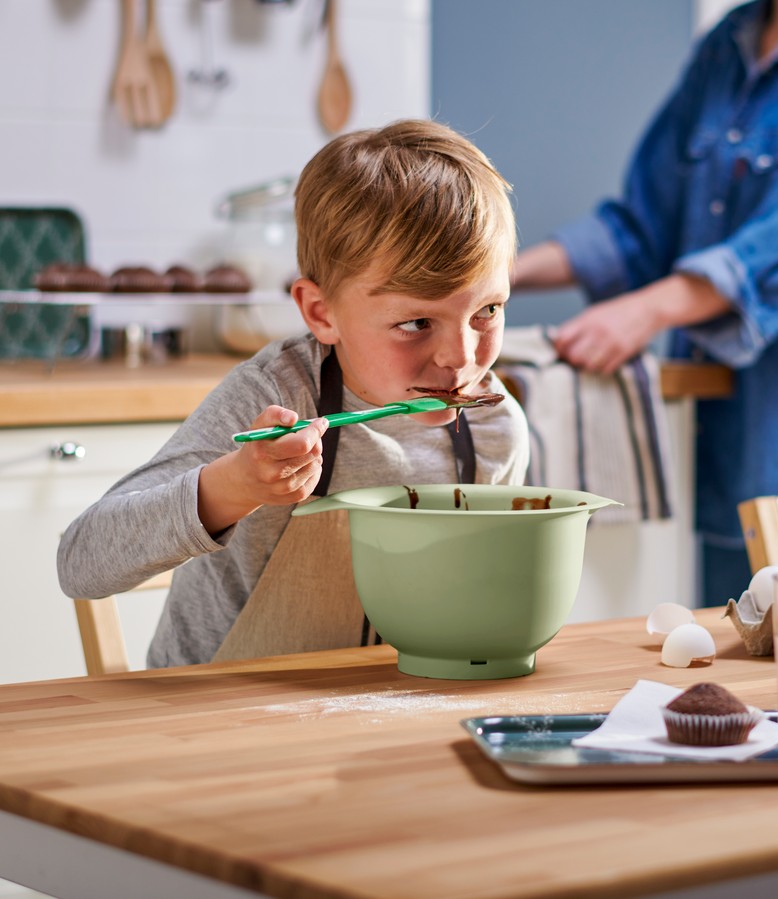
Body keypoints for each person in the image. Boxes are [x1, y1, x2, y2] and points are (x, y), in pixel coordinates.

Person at [511, 0, 778, 603]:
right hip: (724, 436)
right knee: (746, 671)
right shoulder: (726, 45)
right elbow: (643, 225)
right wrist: (493, 276)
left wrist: (646, 311)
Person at [58, 120, 529, 668]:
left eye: (487, 310)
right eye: (417, 321)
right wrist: (231, 487)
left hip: (386, 722)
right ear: (320, 312)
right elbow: (81, 562)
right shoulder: (275, 395)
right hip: (211, 726)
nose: (460, 355)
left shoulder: (492, 432)